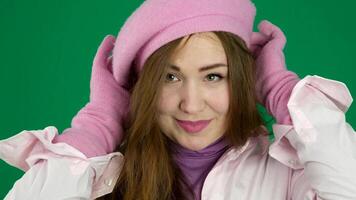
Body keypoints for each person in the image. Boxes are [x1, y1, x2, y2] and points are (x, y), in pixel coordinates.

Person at [1, 0, 356, 199]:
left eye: (213, 76)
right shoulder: (105, 181)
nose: (191, 103)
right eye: (170, 77)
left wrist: (280, 88)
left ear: (243, 81)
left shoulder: (289, 175)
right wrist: (98, 124)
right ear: (144, 87)